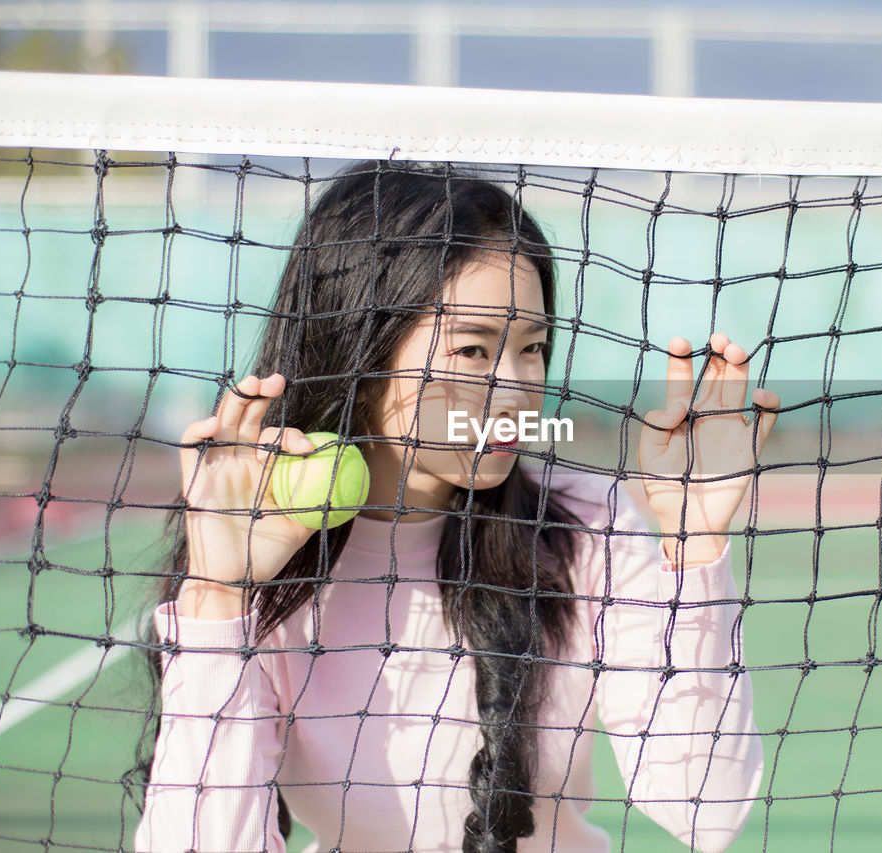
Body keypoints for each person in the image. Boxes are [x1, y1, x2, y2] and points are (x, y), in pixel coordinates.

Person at [135, 162, 779, 853]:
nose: (514, 388)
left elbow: (704, 806)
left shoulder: (586, 524)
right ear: (362, 347)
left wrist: (696, 547)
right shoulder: (266, 549)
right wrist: (217, 598)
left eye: (532, 348)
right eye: (473, 348)